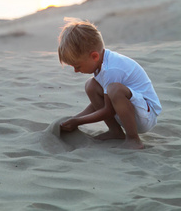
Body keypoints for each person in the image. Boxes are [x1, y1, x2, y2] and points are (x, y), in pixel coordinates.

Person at [58, 18, 162, 149]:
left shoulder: (111, 69)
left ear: (94, 56)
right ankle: (116, 132)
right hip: (130, 111)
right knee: (91, 86)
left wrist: (78, 121)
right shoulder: (101, 64)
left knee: (114, 90)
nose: (75, 70)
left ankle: (133, 140)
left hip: (146, 116)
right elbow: (98, 104)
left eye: (78, 66)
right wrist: (74, 119)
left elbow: (108, 110)